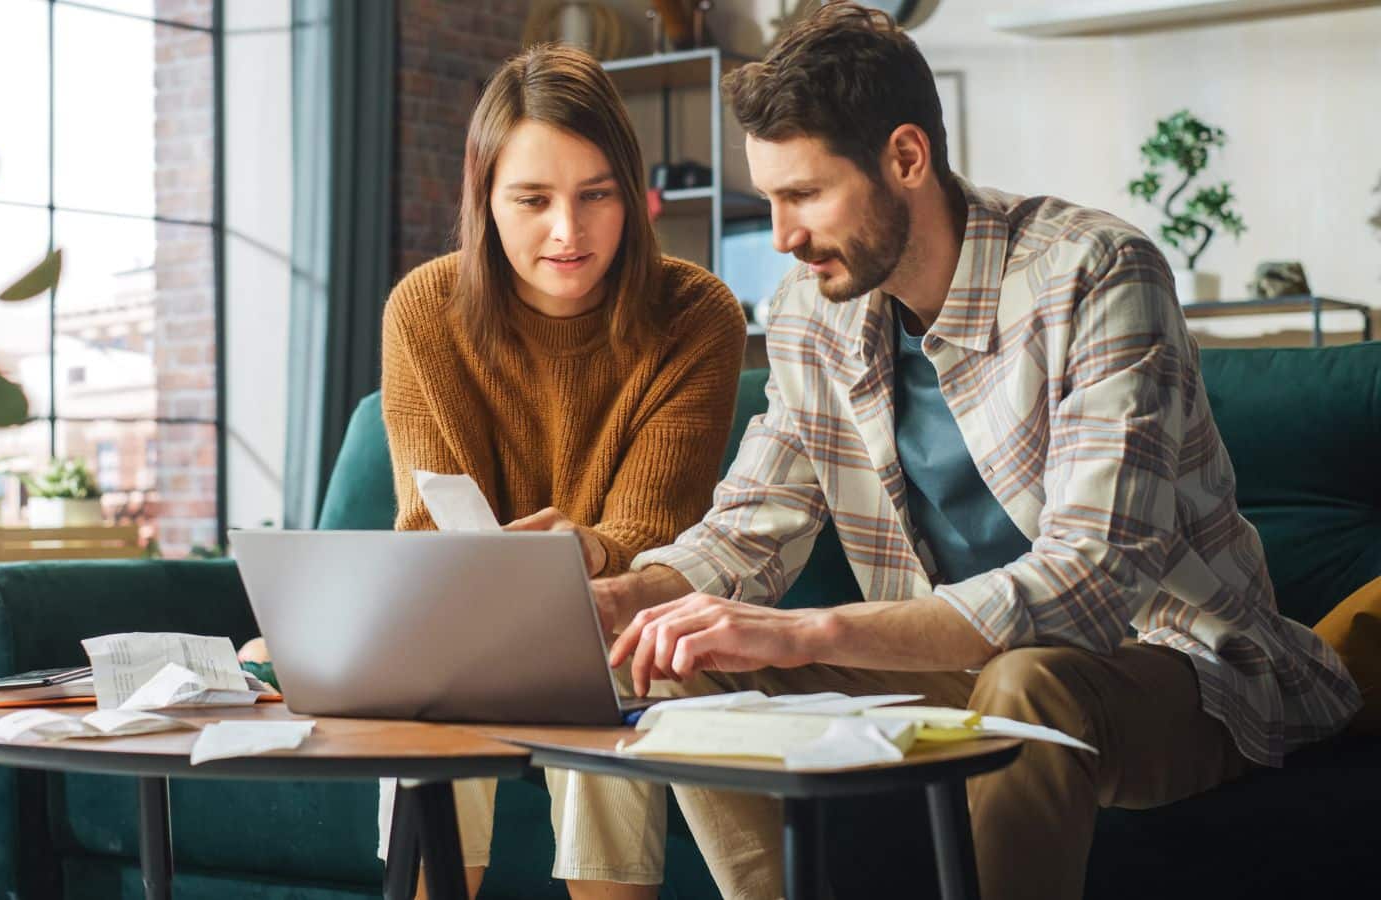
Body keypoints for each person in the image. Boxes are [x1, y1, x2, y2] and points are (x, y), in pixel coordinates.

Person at [593, 4, 1361, 899]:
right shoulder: (812, 317)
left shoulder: (1098, 273)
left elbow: (1091, 580)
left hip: (1170, 665)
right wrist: (620, 601)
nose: (781, 237)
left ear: (906, 158)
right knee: (682, 665)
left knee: (1028, 684)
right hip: (950, 670)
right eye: (770, 198)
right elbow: (748, 531)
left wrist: (812, 628)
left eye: (803, 195)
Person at [242, 44, 747, 900]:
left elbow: (654, 535)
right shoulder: (425, 310)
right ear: (484, 199)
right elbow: (432, 531)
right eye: (533, 199)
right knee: (434, 677)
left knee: (604, 658)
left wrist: (583, 551)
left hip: (617, 616)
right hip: (455, 623)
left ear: (632, 193)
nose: (568, 231)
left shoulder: (698, 314)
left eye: (596, 195)